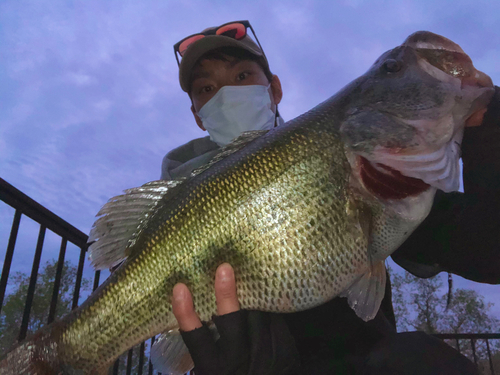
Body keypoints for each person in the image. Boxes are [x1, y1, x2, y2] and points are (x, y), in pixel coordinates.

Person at [162, 20, 499, 374]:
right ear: (197, 116)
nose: (226, 95)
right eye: (206, 88)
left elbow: (489, 247)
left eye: (243, 77)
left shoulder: (375, 169)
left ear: (274, 90)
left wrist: (489, 130)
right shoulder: (171, 218)